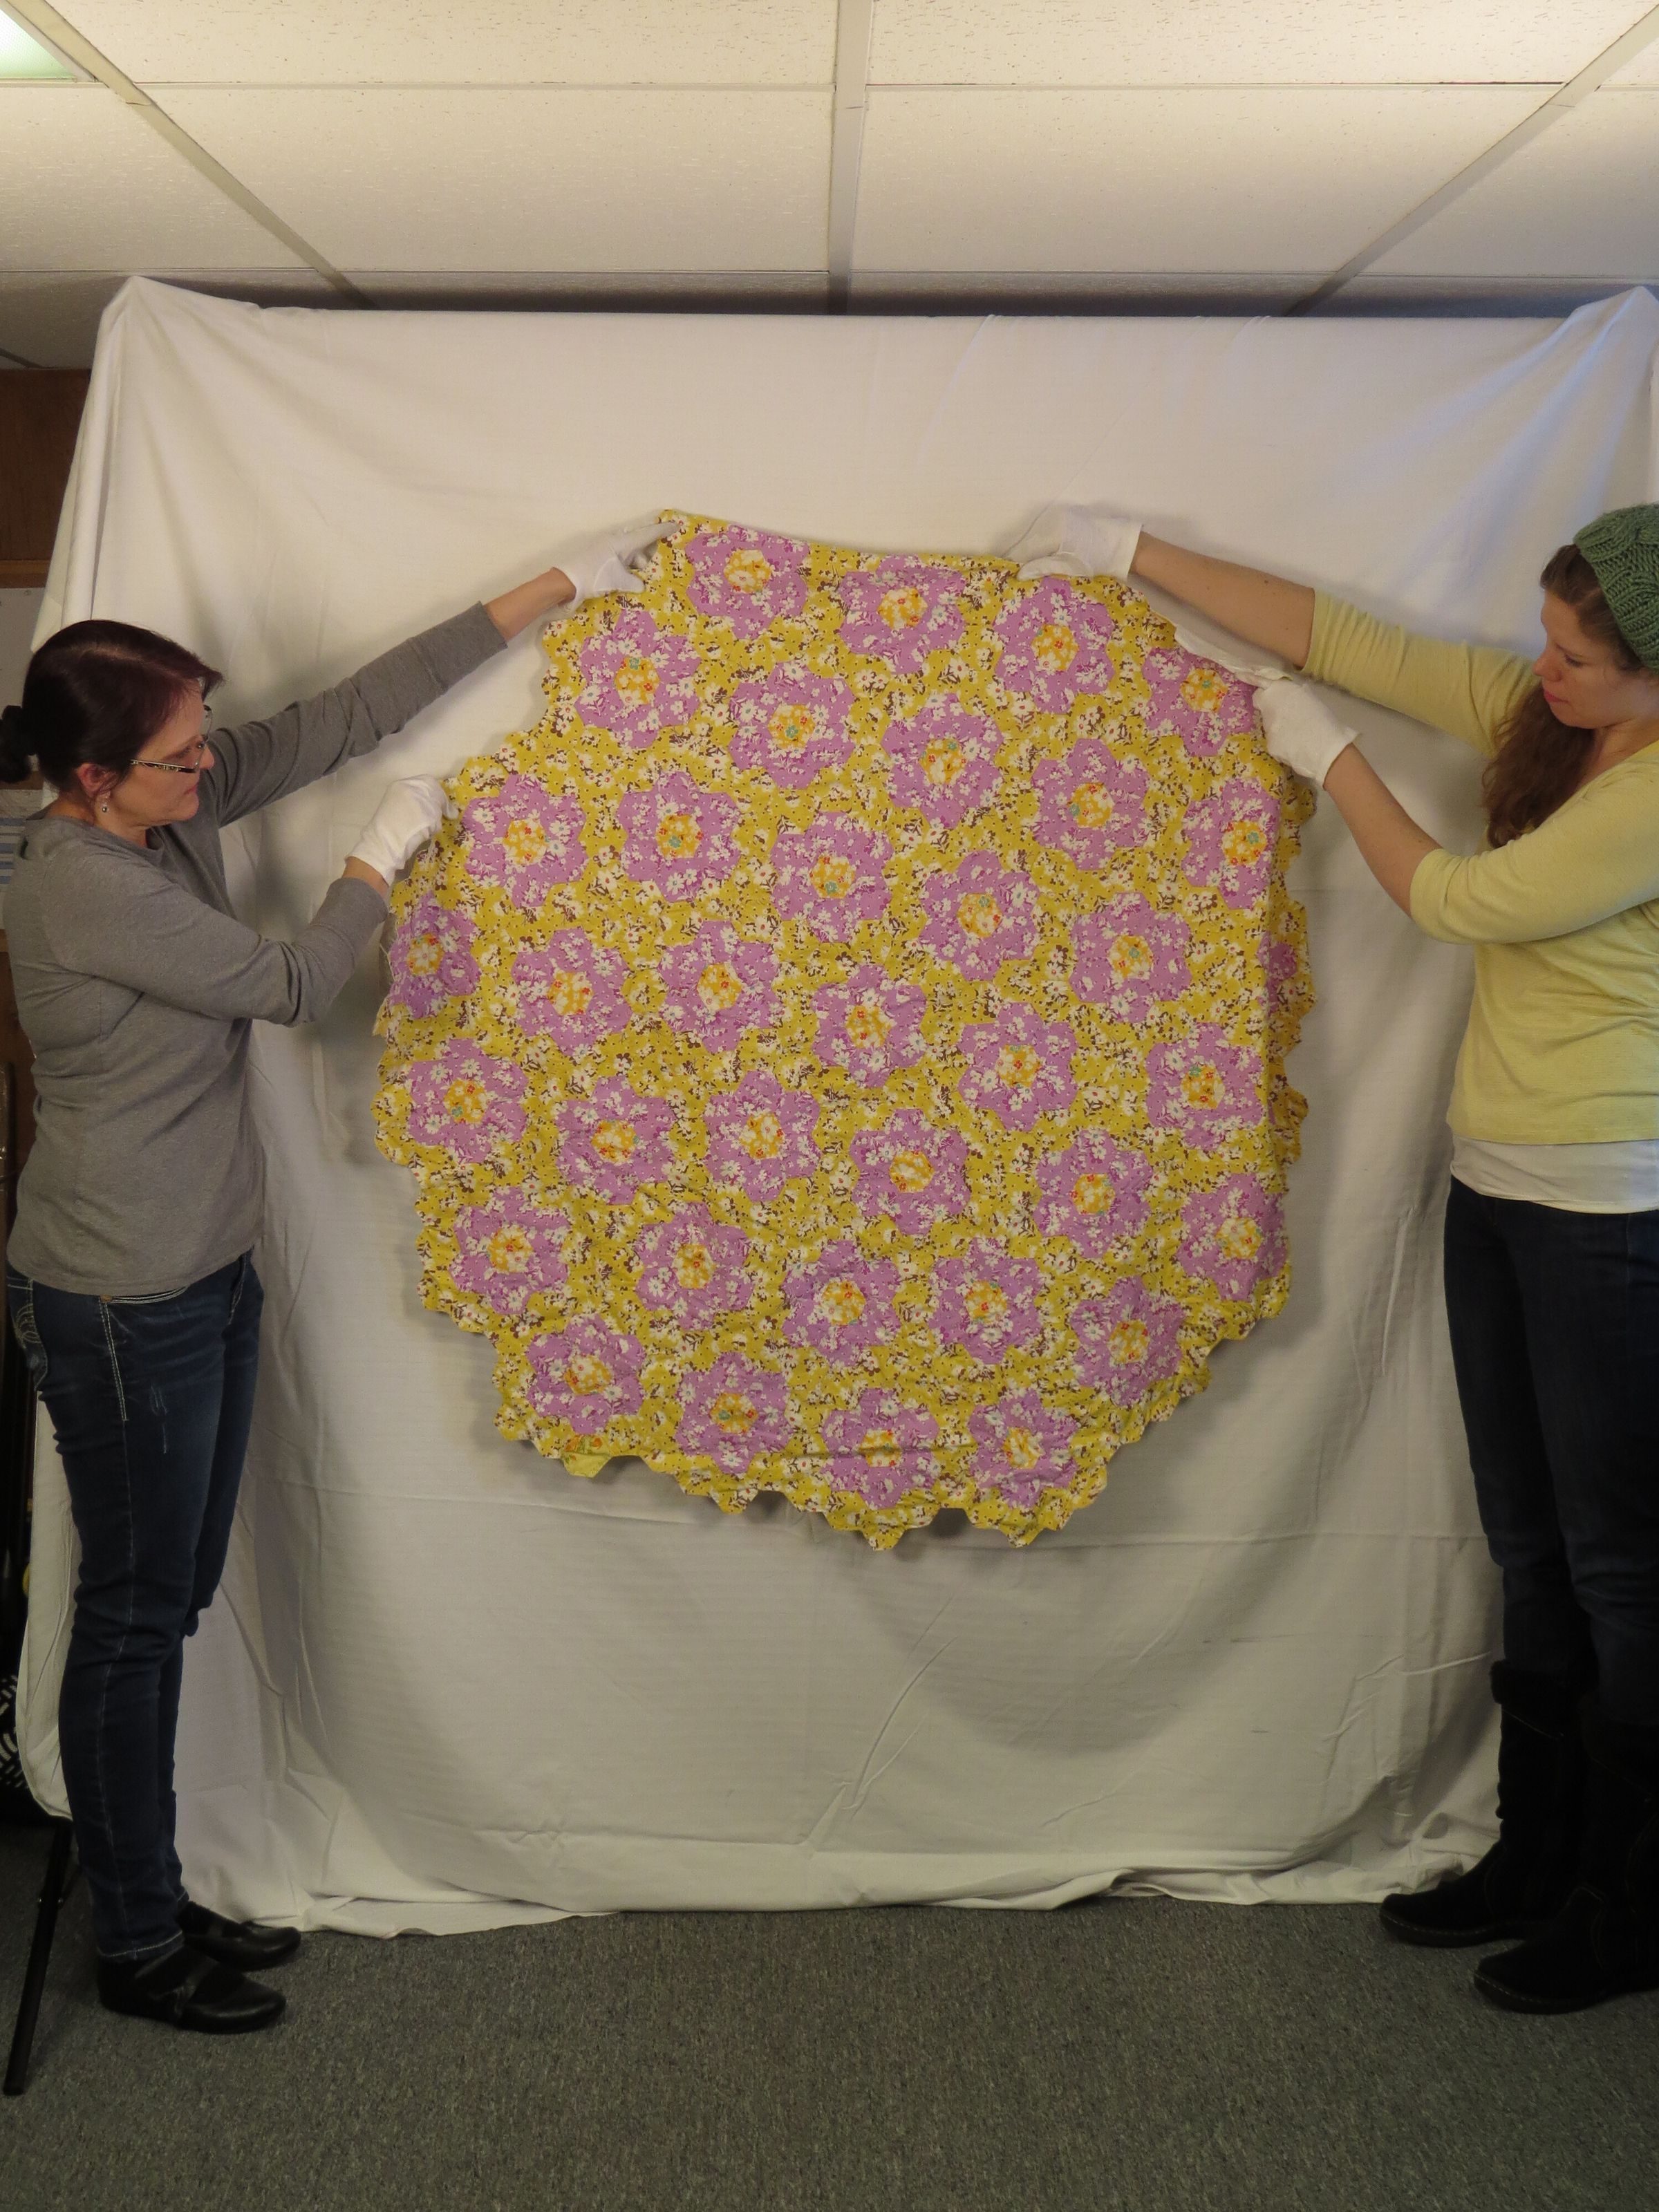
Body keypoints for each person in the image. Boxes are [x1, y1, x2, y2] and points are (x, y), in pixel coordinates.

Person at [0, 517, 665, 2035]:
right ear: (91, 778)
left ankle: (152, 1884)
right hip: (122, 1300)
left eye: (202, 740)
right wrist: (381, 855)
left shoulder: (155, 816)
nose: (207, 767)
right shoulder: (81, 887)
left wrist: (556, 584)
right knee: (135, 1616)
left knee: (167, 1599)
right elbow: (298, 986)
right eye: (179, 756)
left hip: (201, 1271)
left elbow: (344, 715)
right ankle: (137, 1939)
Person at [1011, 500, 1659, 2016]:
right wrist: (1134, 552)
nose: (1544, 670)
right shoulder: (1564, 726)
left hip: (1612, 1216)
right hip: (1498, 1188)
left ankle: (1632, 1903)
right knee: (1528, 1544)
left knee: (1626, 1571)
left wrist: (1331, 758)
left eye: (1576, 659)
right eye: (1548, 641)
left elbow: (1458, 901)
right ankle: (1537, 1850)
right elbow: (1353, 640)